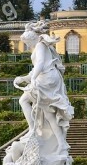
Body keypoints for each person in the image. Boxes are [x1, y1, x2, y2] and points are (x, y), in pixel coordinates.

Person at [13, 21, 74, 156]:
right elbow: (38, 68)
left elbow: (40, 64)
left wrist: (33, 78)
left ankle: (32, 129)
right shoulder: (40, 46)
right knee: (48, 113)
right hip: (47, 77)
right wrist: (24, 78)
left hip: (47, 79)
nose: (28, 45)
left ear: (32, 38)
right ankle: (61, 143)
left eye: (27, 43)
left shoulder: (40, 45)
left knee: (23, 100)